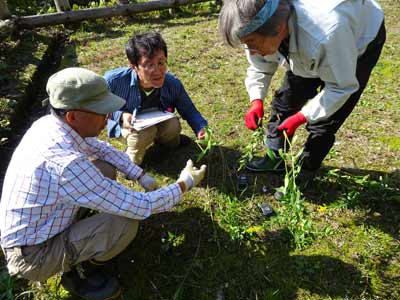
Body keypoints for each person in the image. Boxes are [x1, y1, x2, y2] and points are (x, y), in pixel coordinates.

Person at [0, 67, 206, 300]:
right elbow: (140, 207)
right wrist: (182, 184)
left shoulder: (51, 125)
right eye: (101, 111)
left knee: (104, 168)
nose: (109, 116)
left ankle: (81, 236)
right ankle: (81, 270)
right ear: (73, 116)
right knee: (124, 224)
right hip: (34, 255)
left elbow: (101, 148)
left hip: (40, 227)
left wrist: (139, 175)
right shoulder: (66, 164)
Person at [218, 0, 385, 178]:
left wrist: (302, 117)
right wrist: (256, 100)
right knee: (286, 101)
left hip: (357, 37)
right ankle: (275, 157)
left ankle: (305, 169)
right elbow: (260, 67)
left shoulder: (328, 32)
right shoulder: (258, 24)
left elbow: (340, 87)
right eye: (245, 43)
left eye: (251, 42)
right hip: (311, 43)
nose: (250, 51)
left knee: (325, 121)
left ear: (279, 28)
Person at [105, 31, 208, 165]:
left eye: (161, 63)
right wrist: (121, 116)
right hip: (128, 126)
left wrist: (201, 128)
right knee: (144, 133)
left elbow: (189, 110)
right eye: (149, 65)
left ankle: (167, 146)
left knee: (173, 125)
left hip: (157, 121)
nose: (157, 71)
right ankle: (130, 165)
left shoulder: (172, 83)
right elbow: (96, 107)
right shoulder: (113, 81)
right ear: (134, 66)